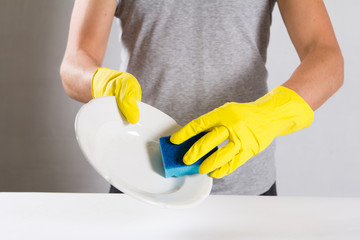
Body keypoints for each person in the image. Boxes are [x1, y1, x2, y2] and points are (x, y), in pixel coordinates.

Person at [60, 0, 343, 196]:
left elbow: (327, 58)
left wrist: (270, 115)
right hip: (139, 172)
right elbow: (74, 64)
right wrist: (101, 82)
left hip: (244, 182)